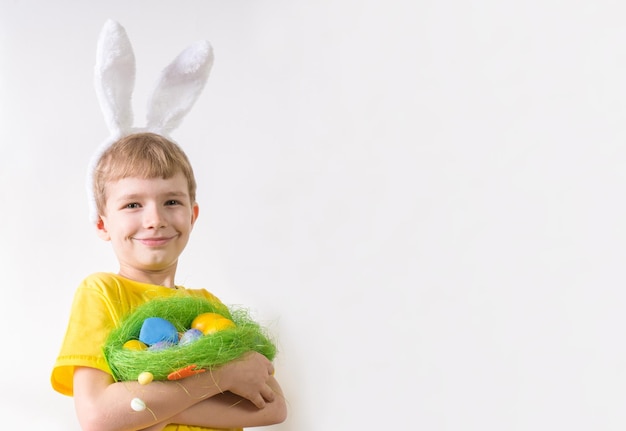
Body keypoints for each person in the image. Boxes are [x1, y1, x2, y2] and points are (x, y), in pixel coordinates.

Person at [51, 132, 287, 431]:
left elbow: (274, 408)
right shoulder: (102, 292)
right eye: (133, 205)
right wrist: (222, 377)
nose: (155, 219)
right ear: (102, 223)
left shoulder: (208, 306)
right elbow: (98, 416)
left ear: (192, 215)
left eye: (171, 201)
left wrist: (151, 411)